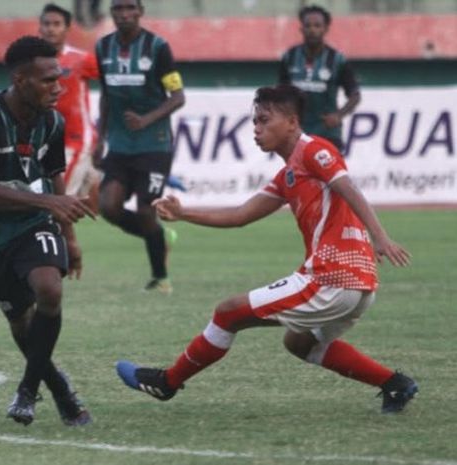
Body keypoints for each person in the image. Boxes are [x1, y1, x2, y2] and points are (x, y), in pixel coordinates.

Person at [116, 84, 418, 414]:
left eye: (264, 120)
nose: (256, 129)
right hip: (359, 284)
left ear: (291, 121)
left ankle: (167, 382)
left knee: (228, 312)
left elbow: (348, 187)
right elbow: (240, 215)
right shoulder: (288, 174)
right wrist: (184, 213)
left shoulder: (315, 150)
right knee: (299, 342)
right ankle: (395, 384)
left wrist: (380, 236)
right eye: (254, 122)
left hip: (332, 278)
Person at [0, 35, 95, 427]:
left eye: (60, 78)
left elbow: (54, 177)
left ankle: (27, 390)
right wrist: (51, 204)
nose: (59, 87)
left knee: (50, 289)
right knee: (21, 322)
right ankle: (59, 388)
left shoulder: (52, 120)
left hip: (34, 223)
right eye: (48, 80)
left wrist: (68, 235)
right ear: (20, 80)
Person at [92, 0, 185, 294]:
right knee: (107, 207)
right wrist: (100, 138)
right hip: (119, 145)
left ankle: (161, 277)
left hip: (153, 145)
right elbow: (106, 95)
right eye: (118, 8)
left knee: (146, 211)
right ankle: (159, 236)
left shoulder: (158, 48)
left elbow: (178, 96)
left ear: (141, 12)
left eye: (130, 7)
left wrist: (146, 120)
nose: (124, 14)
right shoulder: (102, 48)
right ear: (111, 14)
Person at [39, 3, 101, 213]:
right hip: (48, 141)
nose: (51, 29)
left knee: (57, 202)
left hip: (74, 139)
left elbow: (112, 83)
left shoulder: (80, 59)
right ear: (40, 28)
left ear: (67, 29)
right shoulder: (34, 63)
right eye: (46, 24)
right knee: (97, 206)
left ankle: (61, 245)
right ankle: (154, 230)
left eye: (57, 24)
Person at [278, 4, 360, 151]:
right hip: (296, 133)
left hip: (327, 133)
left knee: (329, 174)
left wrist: (338, 115)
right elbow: (280, 93)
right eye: (308, 25)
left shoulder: (337, 59)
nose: (312, 30)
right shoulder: (289, 57)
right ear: (301, 28)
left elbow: (355, 95)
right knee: (297, 174)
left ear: (325, 28)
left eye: (317, 25)